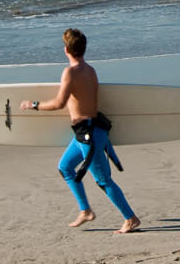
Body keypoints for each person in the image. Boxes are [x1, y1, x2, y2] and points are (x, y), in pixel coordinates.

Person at [21, 28, 140, 233]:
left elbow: (59, 103)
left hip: (89, 137)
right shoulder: (90, 70)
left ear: (66, 49)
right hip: (84, 133)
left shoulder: (71, 72)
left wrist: (34, 105)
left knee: (103, 180)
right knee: (65, 167)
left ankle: (130, 218)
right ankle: (85, 211)